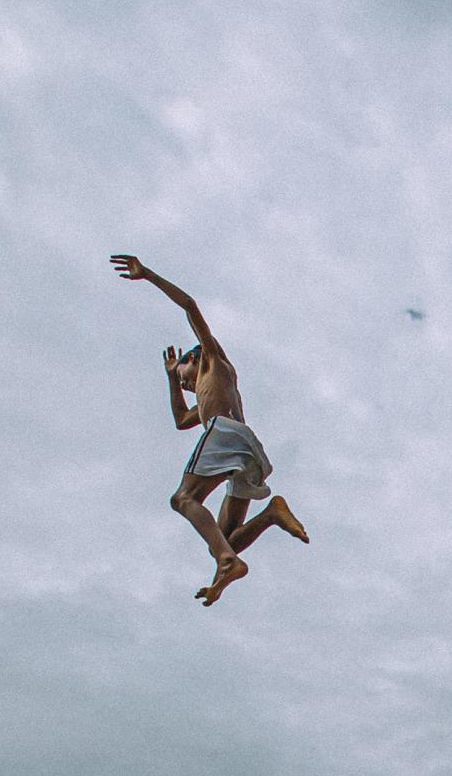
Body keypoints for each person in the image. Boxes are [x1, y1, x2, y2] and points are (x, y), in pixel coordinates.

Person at [110, 255, 309, 605]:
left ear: (195, 358)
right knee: (223, 539)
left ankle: (227, 561)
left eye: (183, 376)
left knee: (183, 499)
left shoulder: (213, 361)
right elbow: (180, 420)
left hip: (225, 434)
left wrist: (149, 275)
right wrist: (171, 378)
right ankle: (271, 515)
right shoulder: (209, 394)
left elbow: (189, 306)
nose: (186, 385)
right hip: (246, 449)